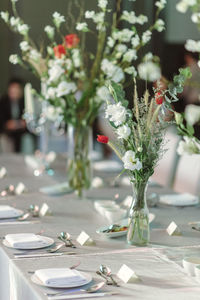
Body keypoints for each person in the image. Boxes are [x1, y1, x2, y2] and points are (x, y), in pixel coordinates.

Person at [0, 78, 27, 152]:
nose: (15, 91)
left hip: (22, 133)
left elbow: (26, 122)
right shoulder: (3, 101)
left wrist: (16, 124)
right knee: (4, 139)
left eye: (17, 88)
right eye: (13, 88)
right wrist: (18, 123)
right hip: (7, 133)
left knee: (27, 139)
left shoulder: (25, 102)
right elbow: (5, 123)